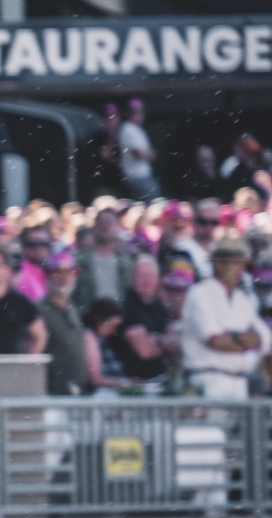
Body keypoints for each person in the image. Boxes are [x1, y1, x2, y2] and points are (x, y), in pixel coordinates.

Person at [179, 233, 269, 401]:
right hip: (207, 381)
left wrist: (235, 339)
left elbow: (265, 340)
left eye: (241, 264)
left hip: (239, 383)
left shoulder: (242, 298)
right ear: (218, 264)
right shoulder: (199, 293)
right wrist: (248, 341)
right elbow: (216, 341)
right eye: (233, 263)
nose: (239, 270)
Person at [0, 246, 45, 355]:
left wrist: (27, 363)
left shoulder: (20, 302)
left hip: (10, 367)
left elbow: (40, 336)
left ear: (6, 270)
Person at [111, 256, 171, 382]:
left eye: (151, 276)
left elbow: (175, 340)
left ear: (157, 280)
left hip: (159, 378)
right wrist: (165, 344)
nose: (146, 281)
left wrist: (155, 340)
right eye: (141, 275)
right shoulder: (125, 306)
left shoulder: (158, 306)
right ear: (132, 278)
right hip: (133, 384)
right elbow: (145, 351)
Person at [38, 247, 89, 396]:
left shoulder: (72, 308)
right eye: (58, 273)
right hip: (53, 393)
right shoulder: (39, 310)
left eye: (69, 273)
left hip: (76, 391)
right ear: (48, 275)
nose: (64, 278)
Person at [74, 207, 132, 310]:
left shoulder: (127, 263)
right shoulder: (79, 261)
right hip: (89, 319)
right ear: (94, 227)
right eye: (101, 223)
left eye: (109, 223)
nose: (105, 226)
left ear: (117, 227)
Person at [118, 97, 161, 201]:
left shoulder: (136, 129)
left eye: (141, 111)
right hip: (137, 176)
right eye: (137, 112)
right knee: (154, 202)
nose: (140, 115)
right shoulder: (128, 128)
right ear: (130, 113)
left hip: (141, 175)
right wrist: (151, 154)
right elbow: (139, 154)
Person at [82, 298, 127, 390]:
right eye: (112, 325)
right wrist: (126, 384)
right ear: (99, 320)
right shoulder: (88, 337)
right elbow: (95, 379)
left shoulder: (104, 340)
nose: (114, 331)